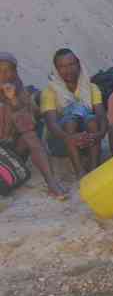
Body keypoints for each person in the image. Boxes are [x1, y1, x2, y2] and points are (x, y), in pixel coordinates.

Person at [0, 52, 68, 198]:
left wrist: (12, 100)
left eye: (10, 70)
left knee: (30, 135)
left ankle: (51, 183)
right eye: (1, 71)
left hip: (13, 150)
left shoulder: (17, 88)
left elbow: (29, 124)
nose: (7, 75)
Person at [39, 49, 107, 177]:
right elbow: (52, 125)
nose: (68, 70)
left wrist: (100, 134)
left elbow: (102, 116)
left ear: (78, 64)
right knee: (70, 121)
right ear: (56, 69)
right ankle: (79, 172)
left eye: (71, 64)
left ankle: (94, 168)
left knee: (92, 120)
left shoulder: (91, 88)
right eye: (62, 66)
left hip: (87, 141)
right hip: (60, 143)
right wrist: (70, 138)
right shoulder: (49, 91)